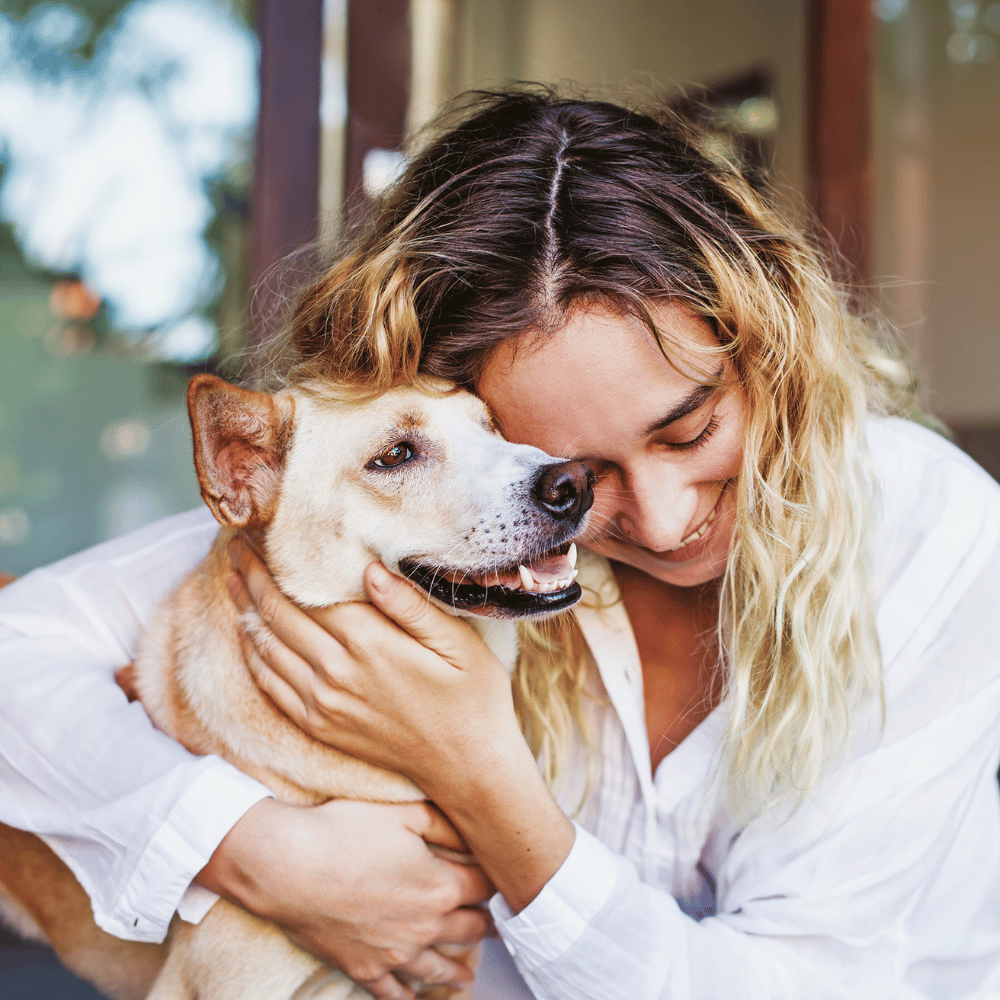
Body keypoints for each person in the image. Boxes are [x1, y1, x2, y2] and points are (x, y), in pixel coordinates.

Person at [2, 90, 999, 1000]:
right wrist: (250, 848)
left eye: (689, 429)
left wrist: (480, 769)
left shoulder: (924, 526)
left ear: (767, 344)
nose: (657, 522)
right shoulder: (448, 514)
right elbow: (16, 649)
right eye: (570, 476)